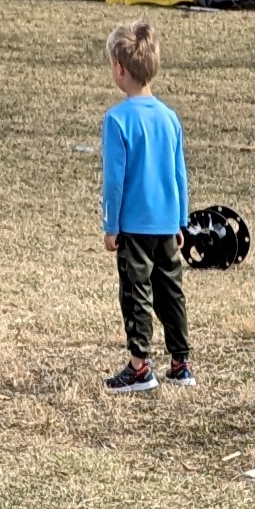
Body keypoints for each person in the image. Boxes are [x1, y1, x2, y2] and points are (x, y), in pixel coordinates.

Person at [99, 24, 192, 393]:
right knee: (171, 290)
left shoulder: (117, 120)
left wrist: (111, 225)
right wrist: (182, 219)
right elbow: (179, 172)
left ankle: (140, 367)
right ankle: (181, 362)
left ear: (120, 67)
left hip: (134, 225)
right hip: (168, 222)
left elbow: (114, 180)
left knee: (136, 292)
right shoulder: (169, 118)